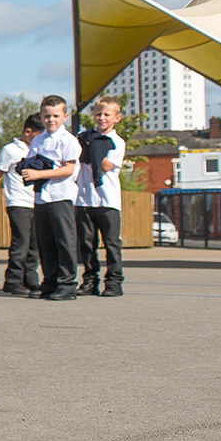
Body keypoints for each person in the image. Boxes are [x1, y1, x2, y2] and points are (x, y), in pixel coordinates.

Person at [19, 95, 81, 301]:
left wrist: (39, 174)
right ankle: (50, 280)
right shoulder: (38, 140)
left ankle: (68, 283)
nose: (50, 120)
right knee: (45, 242)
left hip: (60, 196)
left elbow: (69, 169)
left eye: (55, 115)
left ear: (65, 116)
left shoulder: (68, 140)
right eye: (46, 116)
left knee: (64, 240)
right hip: (41, 197)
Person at [0, 115, 44, 297]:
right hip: (18, 202)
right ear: (28, 131)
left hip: (36, 201)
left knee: (35, 243)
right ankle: (13, 280)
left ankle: (30, 279)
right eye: (37, 134)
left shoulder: (38, 148)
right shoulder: (10, 150)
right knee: (21, 242)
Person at [76, 97, 127, 297]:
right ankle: (90, 280)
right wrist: (88, 143)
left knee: (111, 242)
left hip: (107, 199)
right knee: (87, 243)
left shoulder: (116, 142)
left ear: (117, 118)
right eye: (98, 114)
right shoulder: (83, 138)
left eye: (106, 114)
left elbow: (105, 165)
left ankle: (114, 281)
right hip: (85, 198)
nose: (101, 118)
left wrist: (93, 144)